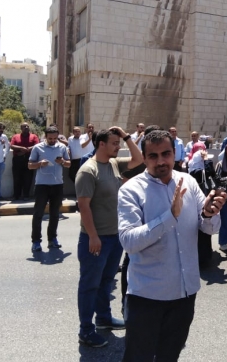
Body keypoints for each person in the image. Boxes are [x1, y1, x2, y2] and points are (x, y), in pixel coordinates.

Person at [117, 130, 225, 361]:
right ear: (144, 158)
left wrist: (209, 213)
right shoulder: (131, 190)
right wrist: (169, 217)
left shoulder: (189, 182)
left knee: (170, 356)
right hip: (147, 296)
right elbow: (129, 241)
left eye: (165, 154)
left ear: (175, 153)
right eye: (153, 156)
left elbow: (210, 228)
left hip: (184, 295)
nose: (161, 161)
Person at [75, 127, 143, 347]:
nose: (118, 146)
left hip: (115, 237)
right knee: (90, 285)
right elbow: (84, 207)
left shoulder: (113, 164)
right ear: (101, 144)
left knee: (106, 281)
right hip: (96, 238)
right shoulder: (88, 171)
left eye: (118, 142)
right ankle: (86, 330)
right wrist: (93, 236)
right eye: (114, 143)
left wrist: (125, 135)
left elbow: (139, 159)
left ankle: (103, 318)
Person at [28, 126, 71, 251]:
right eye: (50, 138)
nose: (52, 140)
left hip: (57, 185)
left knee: (55, 214)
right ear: (45, 137)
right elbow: (30, 165)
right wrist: (39, 164)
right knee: (38, 214)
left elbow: (69, 164)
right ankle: (36, 241)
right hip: (42, 185)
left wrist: (62, 162)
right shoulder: (37, 148)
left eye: (55, 138)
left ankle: (52, 239)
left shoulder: (62, 147)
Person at [10, 122, 40, 200]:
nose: (26, 127)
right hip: (18, 159)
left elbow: (37, 145)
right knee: (17, 178)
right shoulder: (15, 136)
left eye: (27, 126)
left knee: (28, 178)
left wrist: (28, 149)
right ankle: (16, 195)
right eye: (24, 126)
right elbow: (12, 145)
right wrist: (21, 148)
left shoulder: (34, 136)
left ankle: (26, 195)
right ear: (21, 128)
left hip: (29, 159)